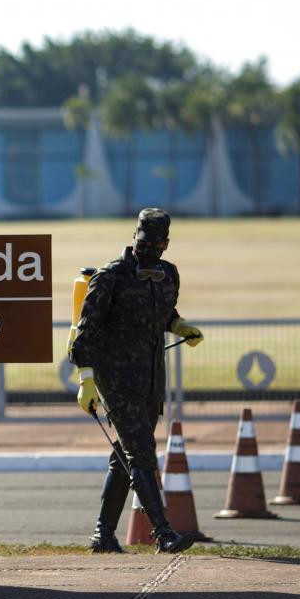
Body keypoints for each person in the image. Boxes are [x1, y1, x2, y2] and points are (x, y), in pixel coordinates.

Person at [69, 208, 204, 554]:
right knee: (143, 453)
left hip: (151, 381)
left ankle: (103, 535)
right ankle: (163, 533)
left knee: (125, 454)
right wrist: (86, 380)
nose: (149, 250)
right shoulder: (110, 277)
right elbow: (85, 335)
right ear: (135, 238)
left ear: (165, 244)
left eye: (156, 244)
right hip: (116, 381)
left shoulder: (168, 275)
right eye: (144, 242)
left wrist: (180, 326)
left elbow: (165, 315)